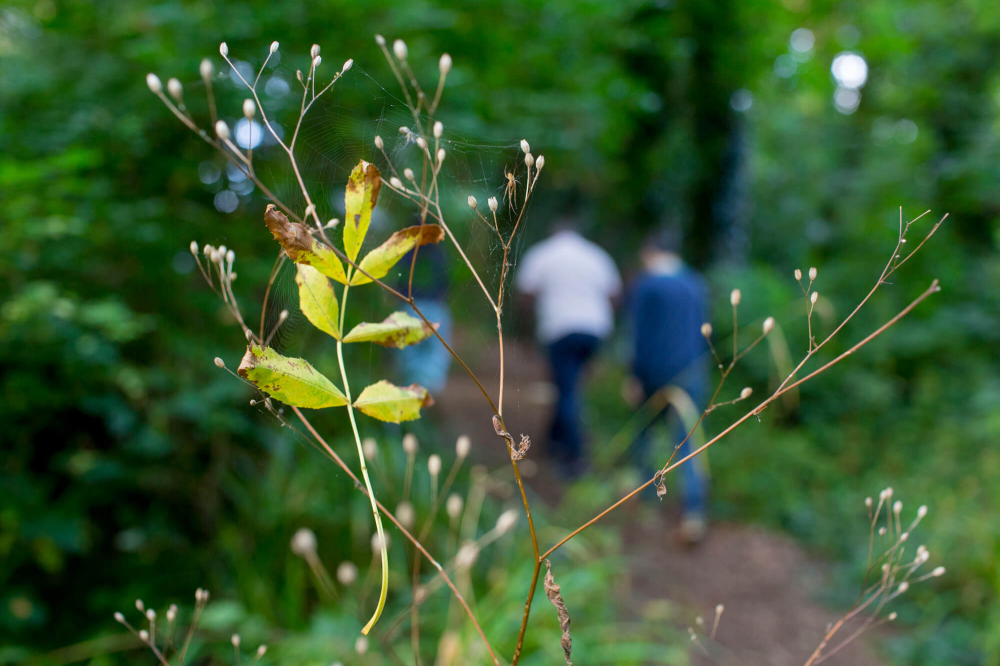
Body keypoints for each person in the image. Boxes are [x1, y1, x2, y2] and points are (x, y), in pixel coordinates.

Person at [515, 219, 622, 476]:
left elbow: (525, 294)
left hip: (560, 330)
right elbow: (615, 294)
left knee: (567, 390)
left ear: (555, 233)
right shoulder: (595, 255)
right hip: (594, 330)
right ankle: (553, 441)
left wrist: (527, 333)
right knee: (570, 386)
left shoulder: (543, 253)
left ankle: (575, 457)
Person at [627, 227, 710, 544]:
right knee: (688, 442)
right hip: (691, 373)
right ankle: (693, 513)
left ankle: (646, 500)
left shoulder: (646, 286)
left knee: (643, 434)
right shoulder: (695, 284)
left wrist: (633, 375)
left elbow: (637, 335)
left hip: (652, 374)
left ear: (650, 252)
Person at [395, 243, 452, 394]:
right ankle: (429, 395)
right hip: (434, 307)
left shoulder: (407, 252)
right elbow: (446, 281)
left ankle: (415, 393)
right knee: (435, 354)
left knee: (410, 355)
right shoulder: (438, 252)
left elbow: (398, 280)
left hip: (412, 307)